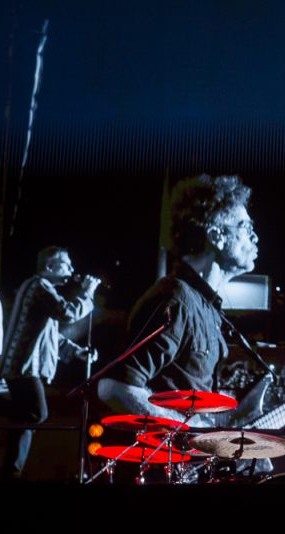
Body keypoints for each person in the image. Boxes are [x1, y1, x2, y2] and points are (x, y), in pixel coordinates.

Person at [97, 174, 259, 428]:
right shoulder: (175, 299)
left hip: (189, 462)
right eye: (245, 228)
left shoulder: (207, 308)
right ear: (216, 236)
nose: (255, 238)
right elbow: (115, 387)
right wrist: (188, 432)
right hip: (163, 462)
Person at [0, 247, 100, 479]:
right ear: (50, 266)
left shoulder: (45, 290)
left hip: (25, 367)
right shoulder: (38, 286)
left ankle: (11, 471)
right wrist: (88, 294)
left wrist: (77, 352)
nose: (72, 270)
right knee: (37, 413)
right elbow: (67, 313)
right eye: (67, 264)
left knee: (23, 421)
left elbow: (53, 336)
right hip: (22, 367)